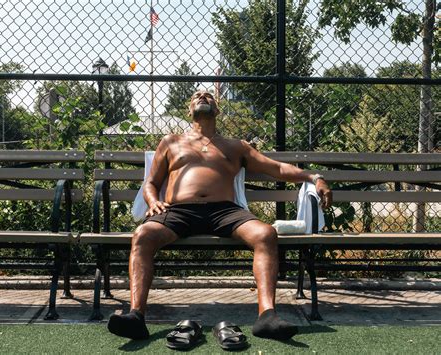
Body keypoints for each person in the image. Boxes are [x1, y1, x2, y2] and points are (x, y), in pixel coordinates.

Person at [107, 90, 332, 341]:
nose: (203, 95)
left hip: (225, 211)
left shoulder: (236, 146)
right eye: (196, 95)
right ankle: (136, 316)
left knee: (265, 233)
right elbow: (151, 182)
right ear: (189, 110)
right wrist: (153, 201)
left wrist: (314, 177)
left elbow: (277, 168)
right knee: (142, 234)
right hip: (178, 211)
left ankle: (267, 316)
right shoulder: (170, 142)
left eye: (209, 95)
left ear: (218, 109)